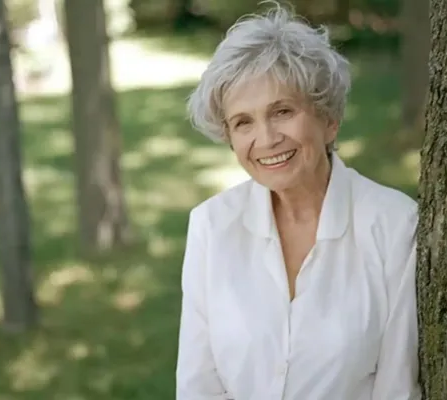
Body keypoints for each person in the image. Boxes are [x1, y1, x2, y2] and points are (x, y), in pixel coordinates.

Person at [175, 3, 421, 400]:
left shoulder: (394, 225)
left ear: (329, 119)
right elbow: (198, 386)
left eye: (283, 111)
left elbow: (397, 388)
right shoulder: (210, 227)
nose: (267, 138)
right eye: (244, 122)